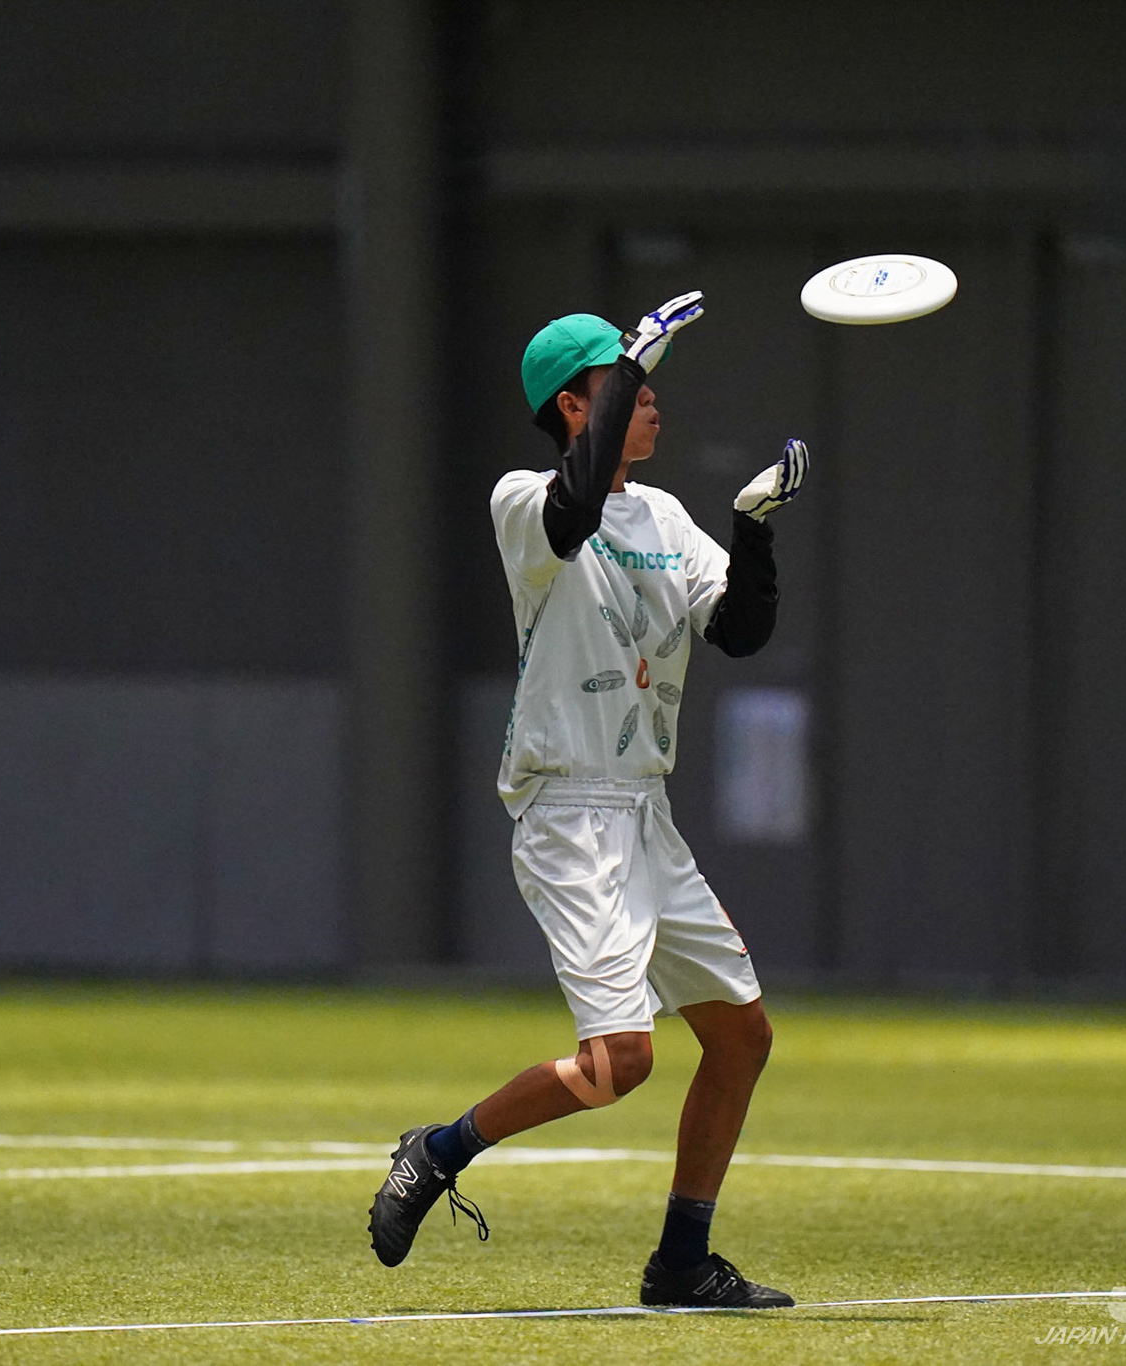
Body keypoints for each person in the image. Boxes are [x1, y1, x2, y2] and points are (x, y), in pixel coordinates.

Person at [369, 294, 809, 1307]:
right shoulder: (522, 502)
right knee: (619, 1062)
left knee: (742, 1038)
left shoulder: (664, 517)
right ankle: (438, 1151)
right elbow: (572, 513)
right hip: (570, 813)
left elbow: (738, 631)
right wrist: (629, 361)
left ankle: (681, 1262)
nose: (651, 398)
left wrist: (752, 529)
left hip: (646, 813)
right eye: (627, 384)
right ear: (575, 406)